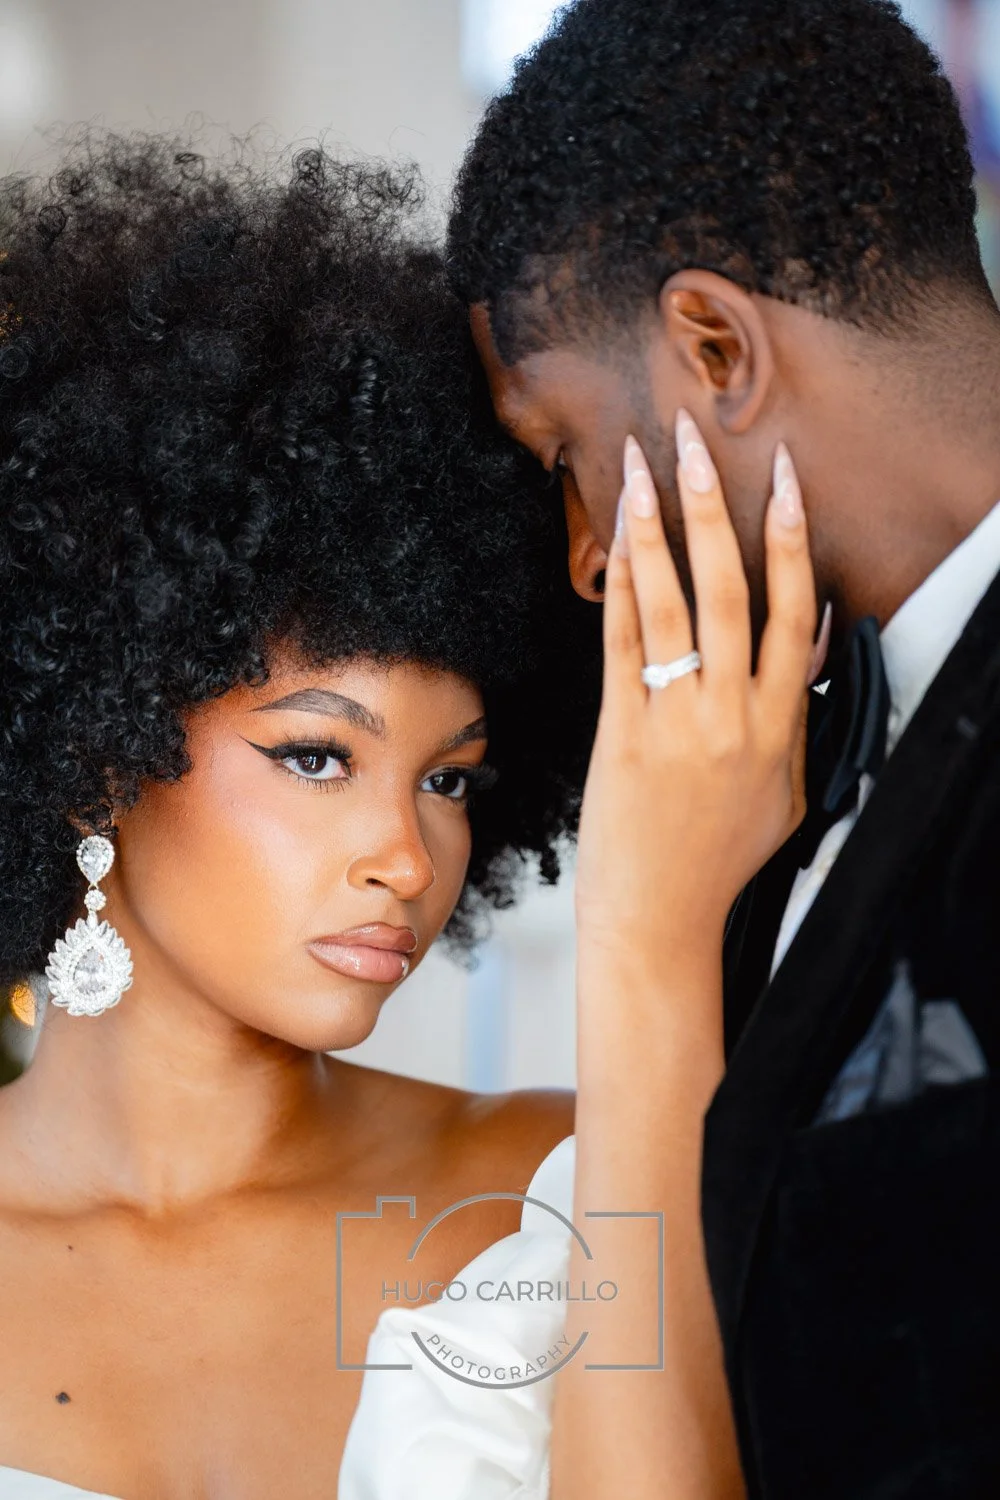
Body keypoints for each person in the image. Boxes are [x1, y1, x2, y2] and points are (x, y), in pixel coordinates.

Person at [447, 0, 1000, 1495]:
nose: (576, 556)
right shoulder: (804, 751)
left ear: (713, 344)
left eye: (557, 452)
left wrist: (637, 926)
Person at [0, 134, 597, 1498]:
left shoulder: (556, 1191)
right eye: (321, 757)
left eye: (450, 779)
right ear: (100, 739)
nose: (408, 856)